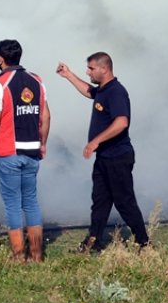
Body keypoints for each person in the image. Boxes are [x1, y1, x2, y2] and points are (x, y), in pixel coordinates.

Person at [56, 52, 150, 253]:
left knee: (125, 202)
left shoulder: (116, 92)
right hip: (104, 158)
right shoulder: (103, 90)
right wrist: (69, 75)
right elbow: (90, 92)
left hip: (118, 157)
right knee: (100, 202)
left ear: (104, 69)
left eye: (91, 68)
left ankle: (144, 244)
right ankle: (93, 243)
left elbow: (121, 122)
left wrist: (95, 142)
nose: (87, 71)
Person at [0, 39, 51, 262]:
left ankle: (18, 256)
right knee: (31, 202)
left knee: (13, 204)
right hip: (32, 151)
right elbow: (45, 116)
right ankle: (36, 255)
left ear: (0, 58)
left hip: (8, 153)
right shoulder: (37, 81)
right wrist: (42, 143)